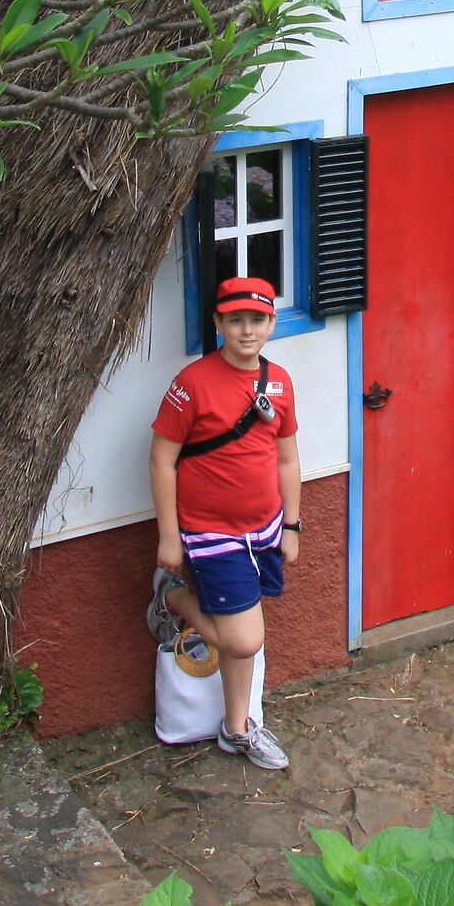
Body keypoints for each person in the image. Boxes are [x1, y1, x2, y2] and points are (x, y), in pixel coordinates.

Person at [144, 274, 302, 770]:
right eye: (236, 321)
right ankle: (171, 596)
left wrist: (292, 525)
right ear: (218, 323)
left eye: (257, 320)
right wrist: (170, 537)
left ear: (272, 323)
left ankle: (237, 729)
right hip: (211, 533)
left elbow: (287, 459)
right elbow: (161, 461)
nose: (247, 331)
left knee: (243, 633)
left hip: (264, 528)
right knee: (244, 639)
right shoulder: (191, 384)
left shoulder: (278, 381)